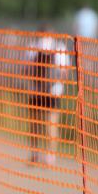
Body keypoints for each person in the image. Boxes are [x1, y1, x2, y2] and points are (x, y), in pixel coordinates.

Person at [25, 24, 70, 166]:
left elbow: (25, 70)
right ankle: (50, 156)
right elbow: (64, 72)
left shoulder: (33, 46)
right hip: (53, 91)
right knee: (52, 124)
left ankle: (35, 153)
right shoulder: (60, 47)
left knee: (34, 124)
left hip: (36, 90)